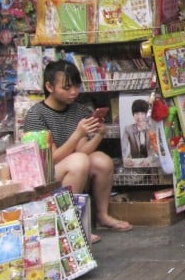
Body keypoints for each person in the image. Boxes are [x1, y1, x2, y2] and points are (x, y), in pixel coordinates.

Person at [23, 60, 133, 240]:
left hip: (73, 166)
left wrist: (99, 134)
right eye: (67, 88)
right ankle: (70, 225)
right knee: (79, 161)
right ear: (49, 87)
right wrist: (77, 134)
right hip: (45, 173)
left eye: (76, 86)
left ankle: (102, 215)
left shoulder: (78, 110)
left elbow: (83, 149)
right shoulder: (36, 115)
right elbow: (51, 159)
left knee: (102, 161)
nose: (73, 92)